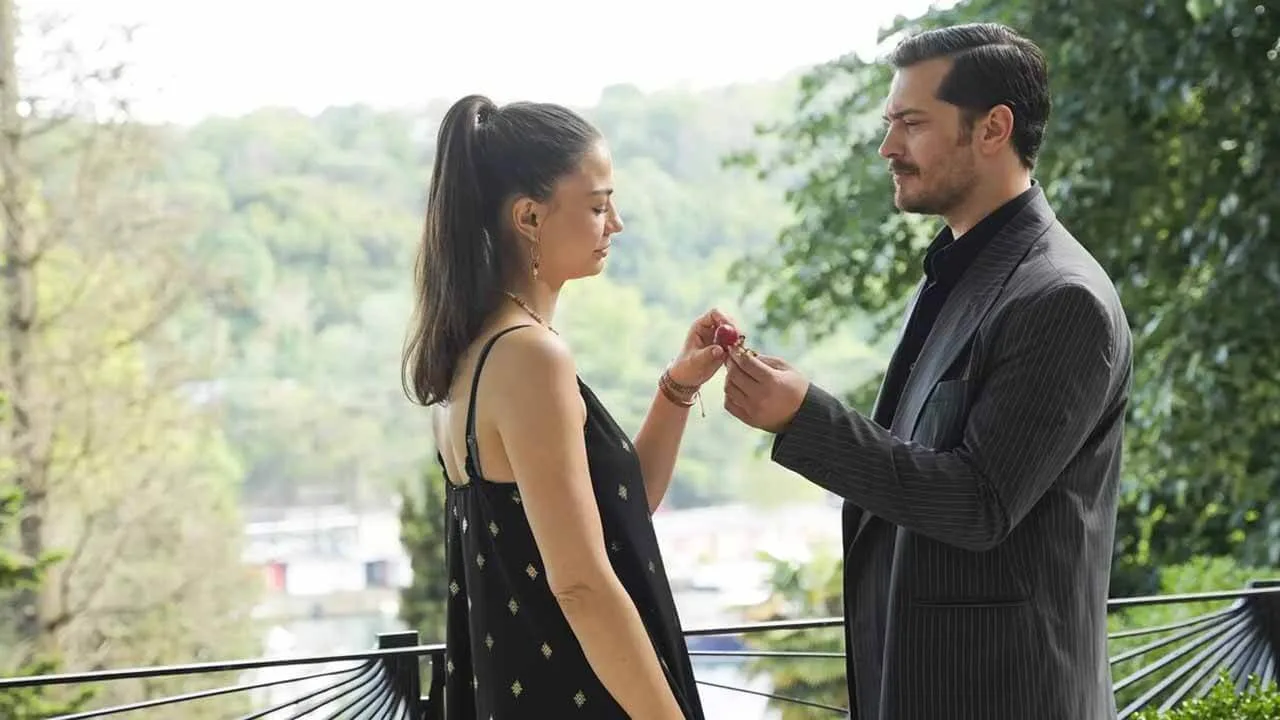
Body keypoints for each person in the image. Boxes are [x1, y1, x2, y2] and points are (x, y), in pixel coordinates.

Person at [720, 23, 1132, 720]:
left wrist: (805, 417)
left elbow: (980, 503)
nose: (888, 146)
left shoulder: (1063, 298)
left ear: (994, 128)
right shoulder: (958, 271)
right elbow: (916, 468)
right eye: (890, 123)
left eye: (911, 124)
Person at [401, 94, 719, 719]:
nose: (616, 223)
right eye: (598, 206)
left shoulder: (473, 350)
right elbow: (580, 584)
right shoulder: (529, 356)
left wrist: (676, 390)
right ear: (528, 217)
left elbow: (617, 514)